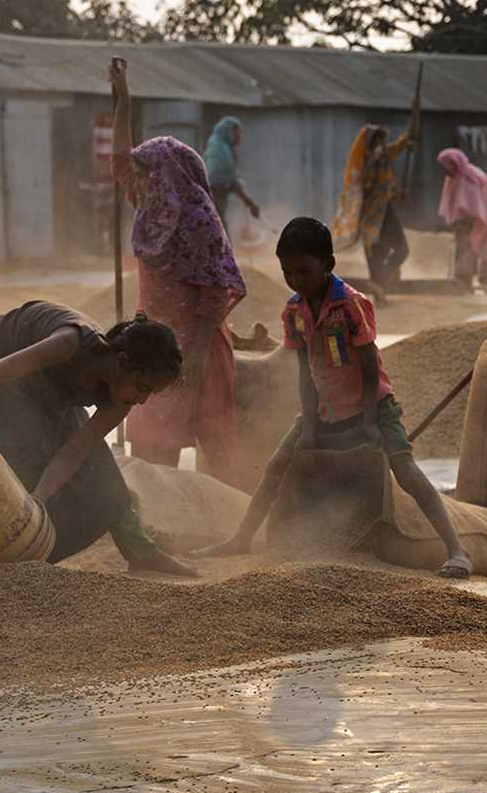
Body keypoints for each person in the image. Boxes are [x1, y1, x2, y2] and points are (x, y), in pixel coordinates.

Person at [201, 218, 472, 579]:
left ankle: (457, 550)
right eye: (288, 273)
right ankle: (242, 538)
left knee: (406, 470)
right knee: (275, 467)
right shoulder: (293, 313)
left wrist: (371, 423)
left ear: (328, 264)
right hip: (325, 409)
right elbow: (304, 372)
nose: (296, 280)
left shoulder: (351, 305)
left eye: (304, 271)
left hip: (372, 406)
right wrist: (310, 426)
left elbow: (369, 366)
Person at [0, 305, 197, 574]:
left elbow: (74, 452)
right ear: (121, 362)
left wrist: (40, 497)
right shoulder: (68, 344)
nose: (143, 400)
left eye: (151, 393)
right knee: (18, 464)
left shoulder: (120, 398)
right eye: (143, 387)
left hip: (50, 386)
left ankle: (141, 552)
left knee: (100, 472)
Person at [109, 59, 246, 484]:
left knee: (215, 443)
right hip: (153, 345)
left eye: (147, 174)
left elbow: (213, 296)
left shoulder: (200, 223)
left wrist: (197, 359)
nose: (138, 182)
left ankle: (238, 524)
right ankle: (161, 516)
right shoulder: (153, 213)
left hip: (197, 347)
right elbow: (118, 163)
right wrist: (123, 101)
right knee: (152, 445)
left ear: (167, 177)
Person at [332, 73, 423, 294]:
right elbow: (396, 149)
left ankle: (383, 282)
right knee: (382, 252)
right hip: (374, 215)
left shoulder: (380, 157)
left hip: (383, 212)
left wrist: (415, 116)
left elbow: (403, 142)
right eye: (380, 141)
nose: (383, 145)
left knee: (396, 250)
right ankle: (381, 287)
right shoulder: (371, 162)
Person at [436, 148, 487, 292]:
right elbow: (452, 202)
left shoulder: (474, 177)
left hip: (484, 217)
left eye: (446, 165)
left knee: (486, 246)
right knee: (464, 248)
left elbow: (479, 202)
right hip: (463, 221)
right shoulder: (452, 178)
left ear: (454, 163)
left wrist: (470, 220)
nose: (444, 170)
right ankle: (464, 281)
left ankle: (484, 280)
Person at [203, 116, 261, 223]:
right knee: (220, 229)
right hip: (214, 203)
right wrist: (250, 203)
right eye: (238, 133)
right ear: (228, 132)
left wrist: (249, 203)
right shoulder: (219, 151)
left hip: (215, 203)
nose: (240, 136)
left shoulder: (219, 146)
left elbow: (231, 180)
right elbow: (228, 181)